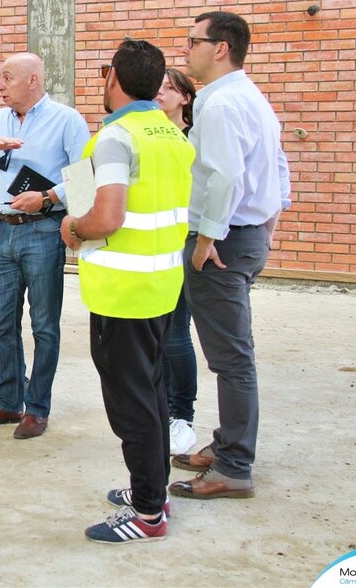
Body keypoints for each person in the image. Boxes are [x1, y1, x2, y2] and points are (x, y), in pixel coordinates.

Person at [61, 40, 194, 544]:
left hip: (121, 291)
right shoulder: (172, 135)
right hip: (161, 284)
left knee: (131, 402)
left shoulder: (116, 138)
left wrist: (73, 229)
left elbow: (105, 216)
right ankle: (153, 490)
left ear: (113, 77)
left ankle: (146, 515)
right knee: (153, 392)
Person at [169, 11, 291, 500]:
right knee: (232, 353)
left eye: (193, 41)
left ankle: (234, 467)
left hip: (221, 243)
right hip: (245, 235)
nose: (186, 50)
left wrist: (205, 241)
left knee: (232, 359)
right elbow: (276, 166)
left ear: (220, 48)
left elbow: (223, 178)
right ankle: (226, 445)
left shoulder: (220, 105)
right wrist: (268, 225)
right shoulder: (249, 96)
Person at [0, 52, 90, 439]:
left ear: (32, 80)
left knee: (44, 325)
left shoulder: (67, 120)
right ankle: (9, 401)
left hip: (43, 232)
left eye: (6, 78)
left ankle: (37, 407)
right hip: (2, 232)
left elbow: (83, 181)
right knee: (4, 323)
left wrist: (46, 197)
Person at [154, 68, 200, 456]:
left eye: (170, 88)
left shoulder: (191, 139)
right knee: (160, 331)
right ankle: (164, 407)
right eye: (159, 87)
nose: (161, 93)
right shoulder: (150, 135)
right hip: (154, 245)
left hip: (183, 241)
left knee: (176, 331)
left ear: (185, 97)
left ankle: (181, 414)